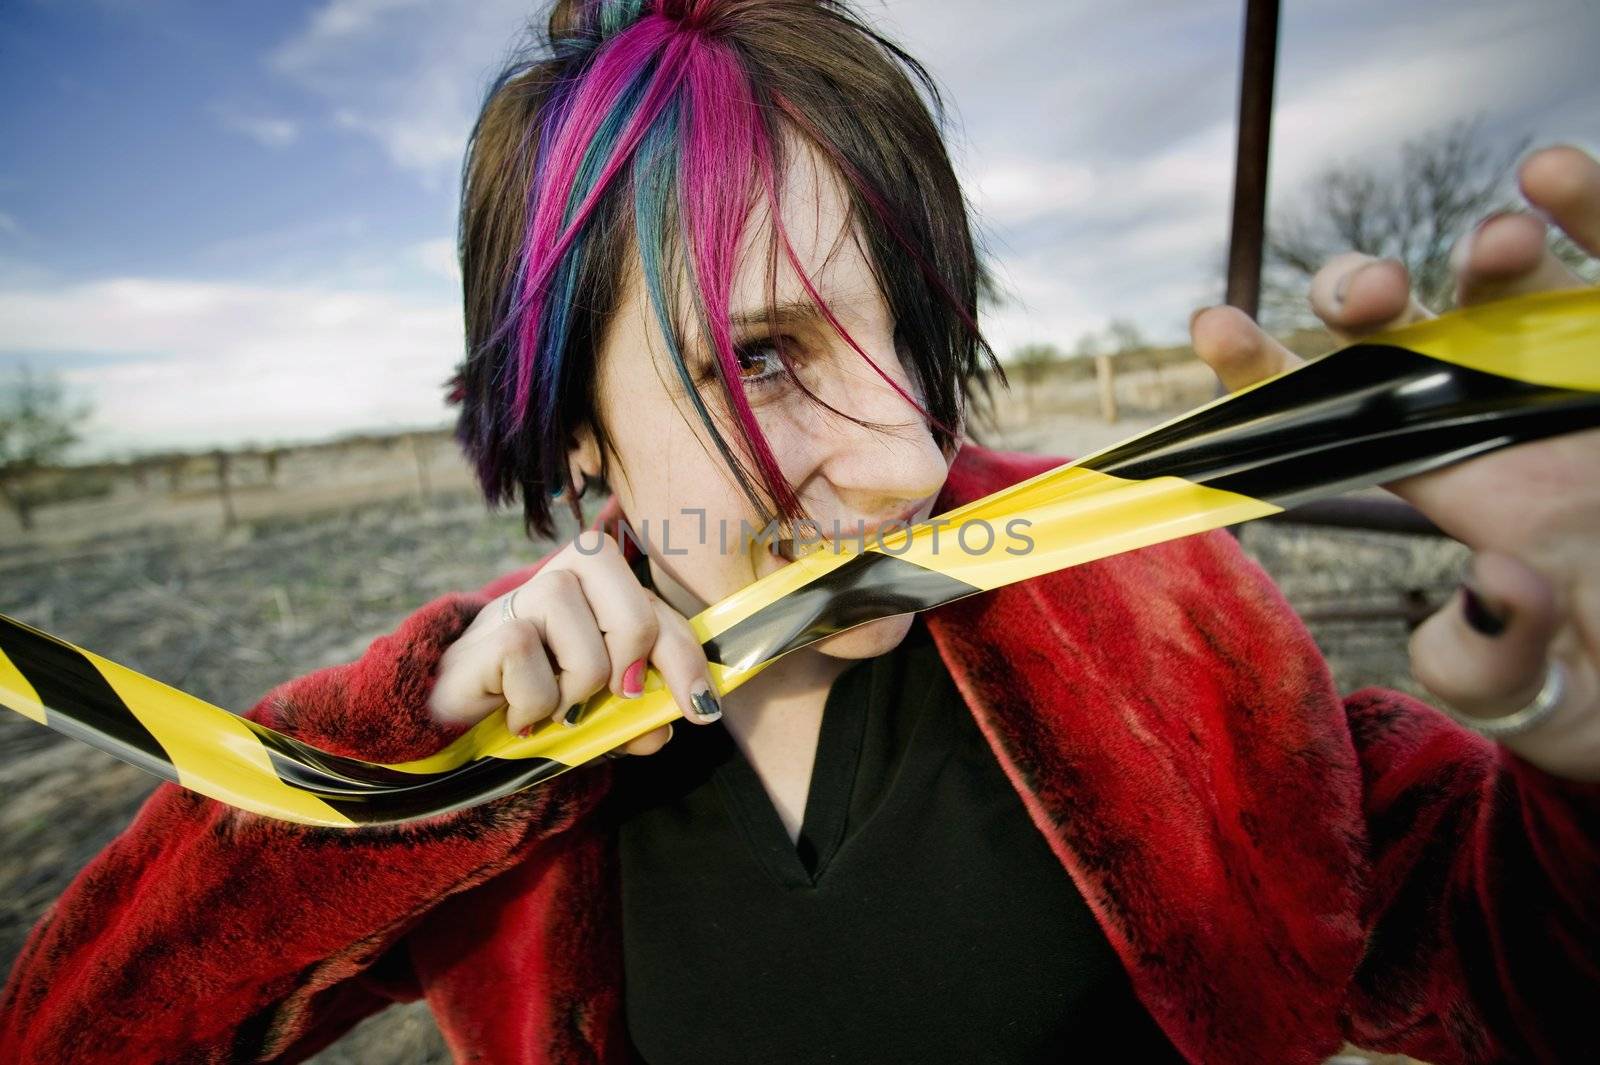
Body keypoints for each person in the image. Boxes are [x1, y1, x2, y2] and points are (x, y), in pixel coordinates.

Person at [2, 1, 1597, 1062]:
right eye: (762, 356)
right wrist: (391, 772)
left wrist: (1582, 762)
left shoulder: (1145, 598)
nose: (902, 454)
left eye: (898, 333)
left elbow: (1500, 950)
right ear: (573, 422)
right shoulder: (516, 745)